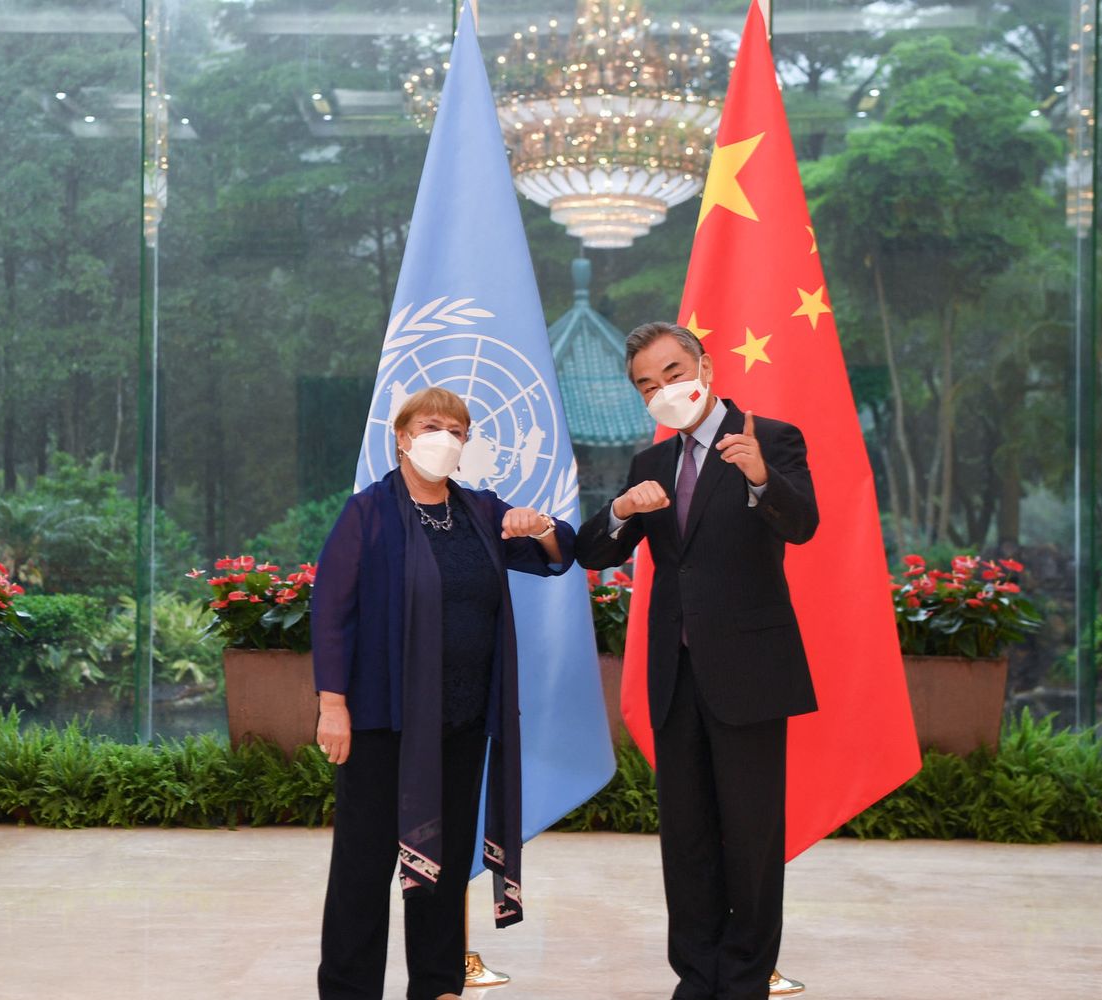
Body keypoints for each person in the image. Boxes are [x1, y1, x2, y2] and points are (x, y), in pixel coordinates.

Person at [575, 321, 819, 1000]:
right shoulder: (649, 465)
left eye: (674, 372)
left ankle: (744, 979)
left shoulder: (769, 438)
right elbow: (594, 552)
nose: (664, 391)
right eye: (647, 385)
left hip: (750, 675)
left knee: (751, 838)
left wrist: (761, 477)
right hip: (674, 678)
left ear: (705, 365)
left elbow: (803, 524)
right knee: (686, 841)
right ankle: (696, 975)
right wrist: (621, 509)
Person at [310, 386, 574, 1000]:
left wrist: (542, 528)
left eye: (458, 430)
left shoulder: (481, 511)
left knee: (446, 863)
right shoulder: (368, 513)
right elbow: (331, 611)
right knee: (365, 865)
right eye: (432, 426)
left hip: (461, 718)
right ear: (402, 437)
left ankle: (437, 985)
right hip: (381, 719)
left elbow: (556, 554)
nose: (445, 439)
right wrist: (332, 704)